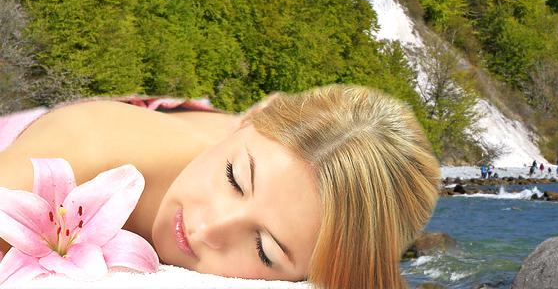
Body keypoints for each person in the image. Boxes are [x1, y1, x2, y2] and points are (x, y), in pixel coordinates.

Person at [0, 85, 439, 289]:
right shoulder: (89, 148)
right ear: (249, 118)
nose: (207, 228)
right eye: (233, 179)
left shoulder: (273, 164)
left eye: (265, 249)